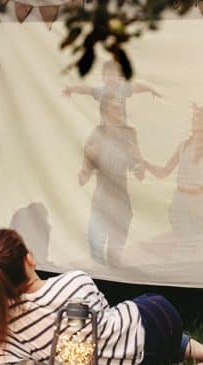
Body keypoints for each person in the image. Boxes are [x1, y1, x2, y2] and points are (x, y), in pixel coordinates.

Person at [0, 229, 203, 365]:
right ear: (29, 258)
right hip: (157, 322)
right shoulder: (73, 283)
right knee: (137, 313)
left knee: (115, 337)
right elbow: (100, 339)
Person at [64, 60, 160, 266]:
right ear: (105, 112)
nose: (121, 113)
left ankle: (112, 282)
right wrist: (88, 160)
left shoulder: (129, 134)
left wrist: (139, 162)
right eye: (116, 110)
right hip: (101, 198)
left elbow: (140, 174)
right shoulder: (97, 134)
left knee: (115, 252)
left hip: (121, 201)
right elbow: (82, 177)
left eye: (120, 109)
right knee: (96, 245)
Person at [143, 103, 203, 258]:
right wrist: (144, 162)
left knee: (199, 245)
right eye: (194, 117)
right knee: (185, 242)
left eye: (198, 117)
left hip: (199, 204)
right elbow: (164, 172)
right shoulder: (182, 146)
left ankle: (196, 277)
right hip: (180, 202)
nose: (194, 120)